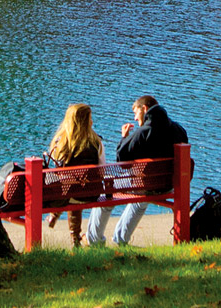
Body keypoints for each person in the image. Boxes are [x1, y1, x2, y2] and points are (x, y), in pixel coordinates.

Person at [85, 95, 188, 246]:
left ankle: (94, 241)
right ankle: (121, 239)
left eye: (135, 113)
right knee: (141, 200)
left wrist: (124, 137)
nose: (134, 118)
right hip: (168, 185)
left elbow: (122, 162)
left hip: (146, 185)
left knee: (105, 193)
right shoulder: (178, 129)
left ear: (144, 109)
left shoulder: (143, 132)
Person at [47, 103, 105, 248]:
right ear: (88, 121)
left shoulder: (59, 142)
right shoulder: (97, 142)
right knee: (78, 187)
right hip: (92, 193)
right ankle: (74, 237)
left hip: (67, 194)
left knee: (71, 189)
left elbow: (57, 171)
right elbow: (102, 171)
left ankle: (62, 223)